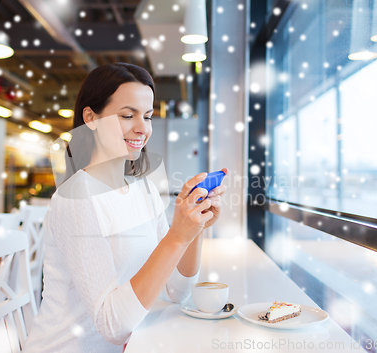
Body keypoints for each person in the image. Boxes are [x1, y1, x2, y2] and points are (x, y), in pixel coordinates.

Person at [22, 63, 227, 353]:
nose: (142, 128)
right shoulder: (76, 198)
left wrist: (194, 226)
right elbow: (113, 326)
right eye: (127, 115)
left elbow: (178, 292)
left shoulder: (143, 188)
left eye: (148, 116)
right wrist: (177, 236)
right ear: (91, 118)